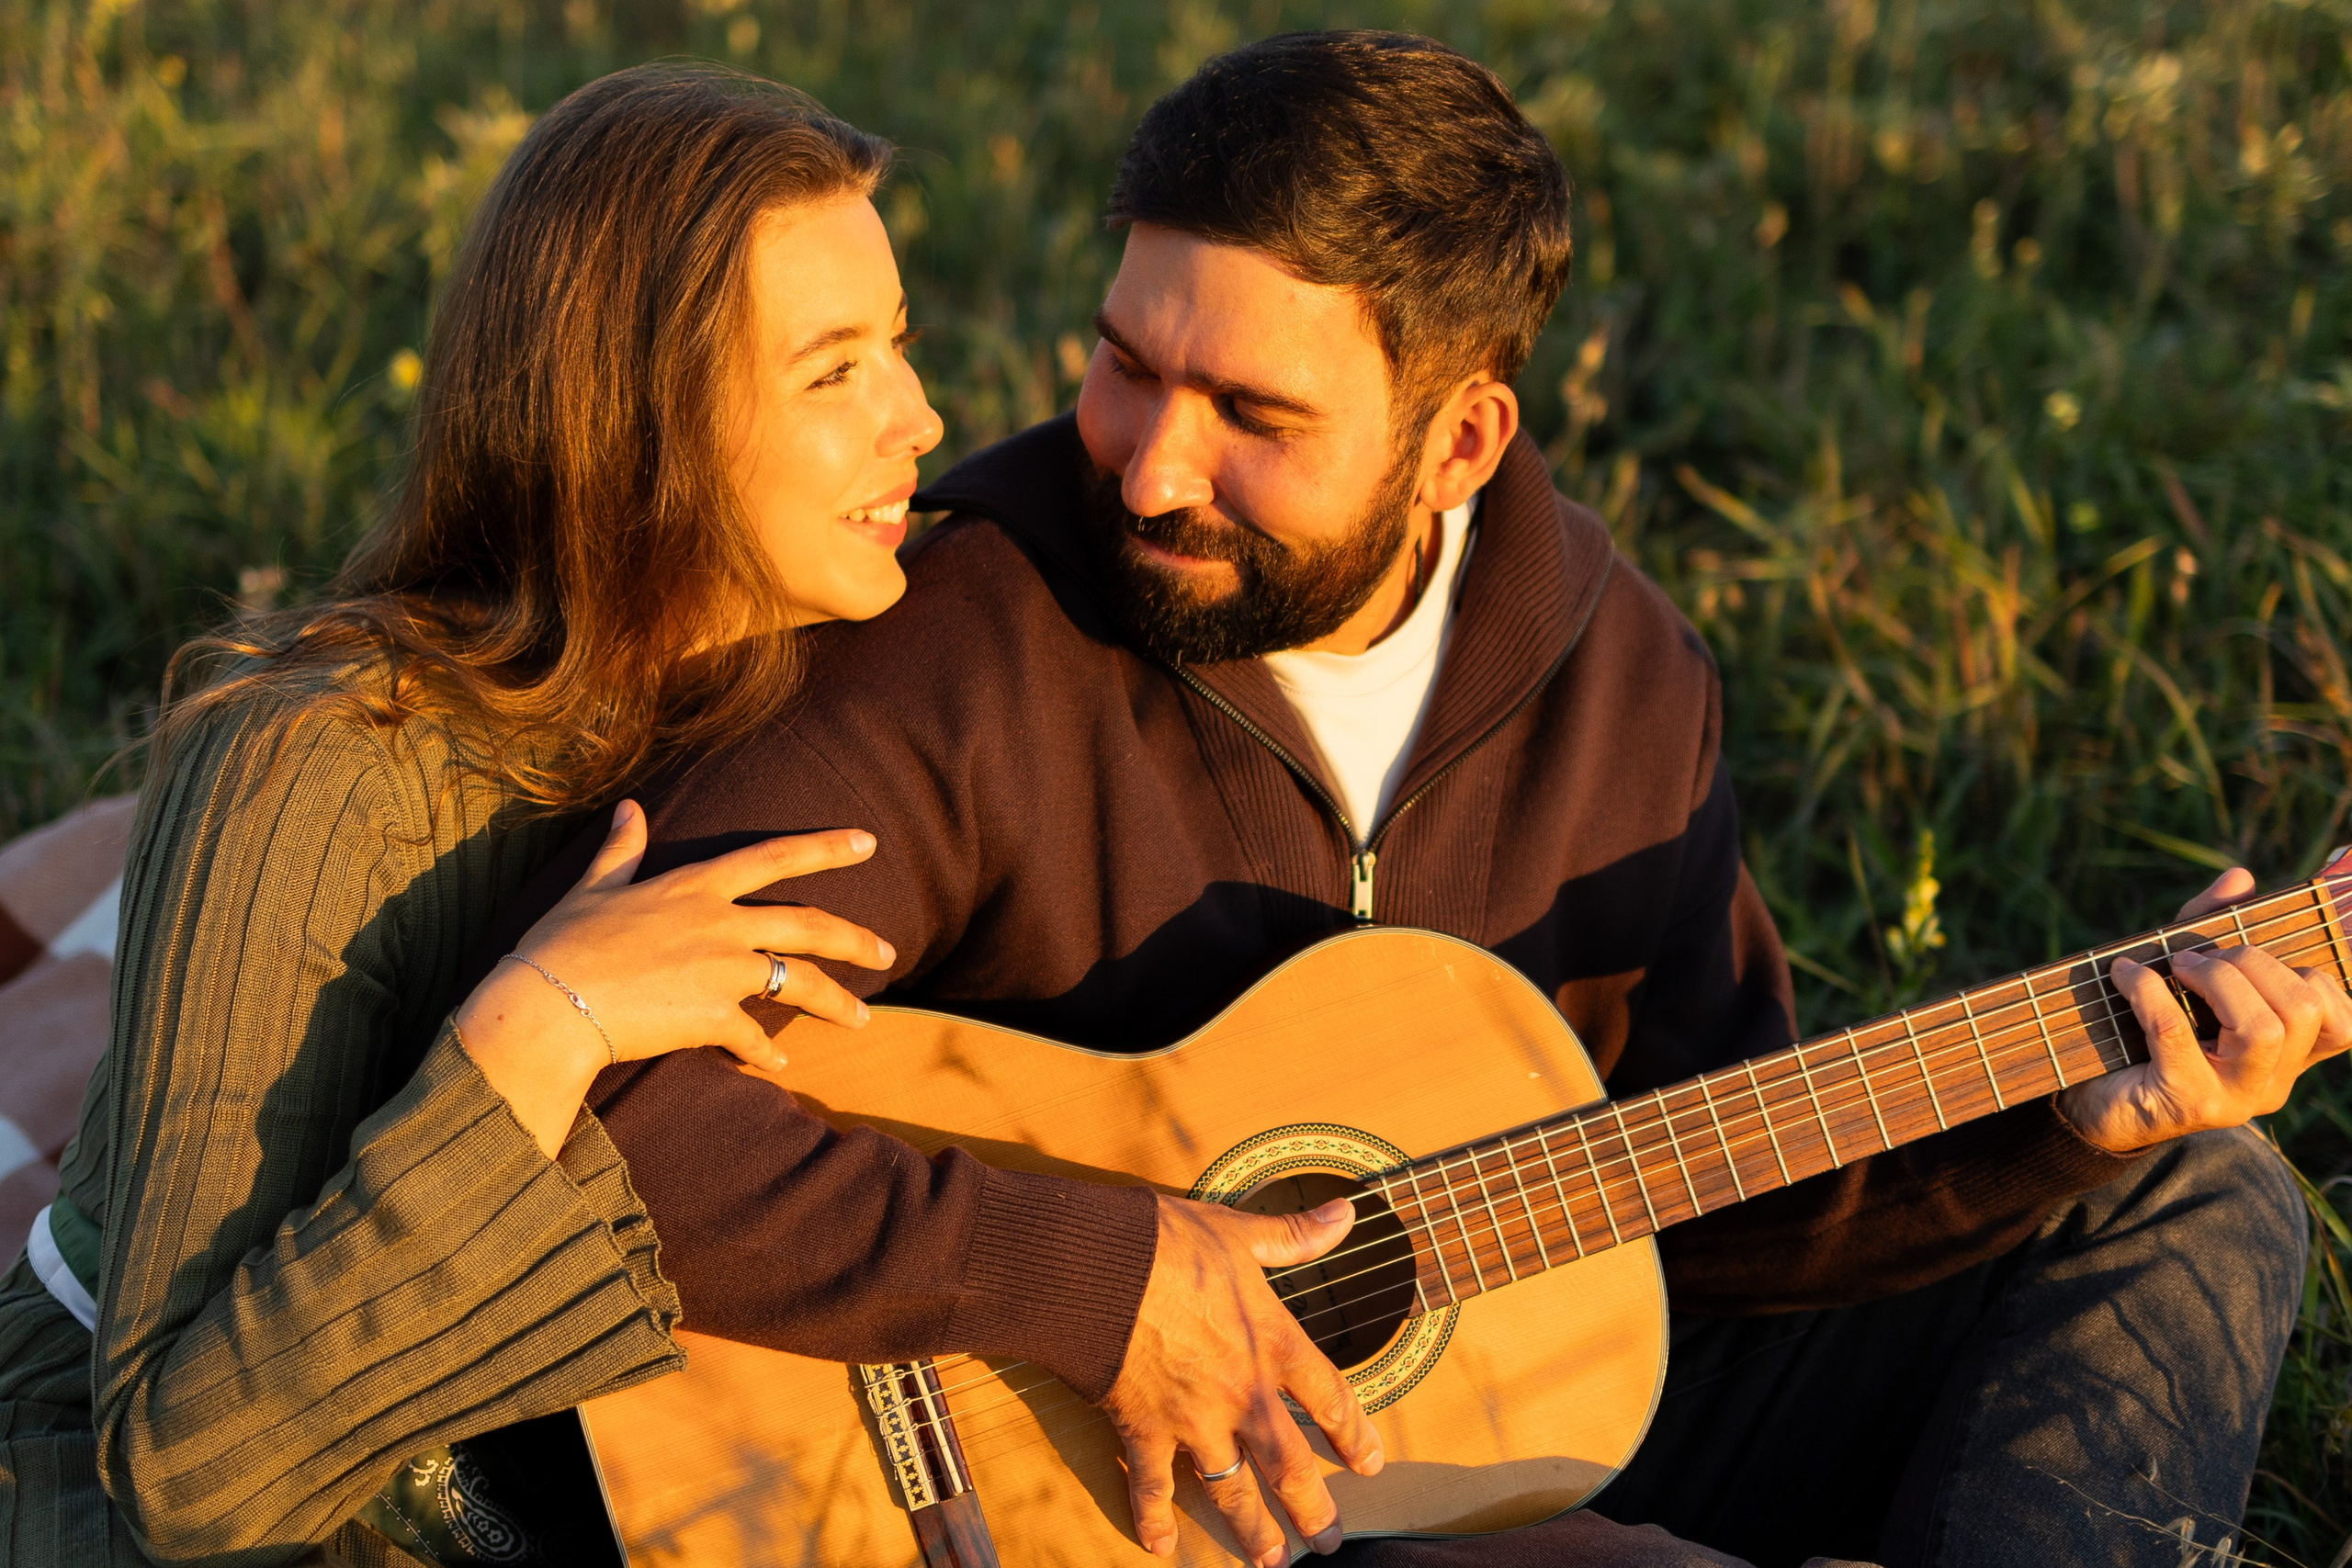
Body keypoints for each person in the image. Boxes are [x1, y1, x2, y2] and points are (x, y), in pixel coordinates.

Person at [492, 32, 2349, 1568]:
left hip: (1512, 1399)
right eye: (1126, 365)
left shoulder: (1619, 676)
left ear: (1458, 437)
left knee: (2201, 1185)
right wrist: (1101, 1281)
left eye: (1251, 415)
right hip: (1104, 1490)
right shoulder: (954, 642)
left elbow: (1698, 1210)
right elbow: (609, 1102)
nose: (1148, 469)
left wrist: (2056, 1128)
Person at [0, 63, 963, 1566]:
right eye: (831, 372)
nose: (921, 416)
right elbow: (191, 1474)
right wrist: (541, 1026)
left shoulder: (827, 684)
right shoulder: (321, 765)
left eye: (897, 343)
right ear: (635, 421)